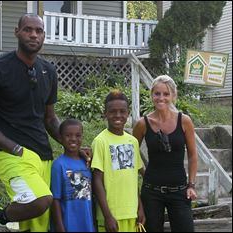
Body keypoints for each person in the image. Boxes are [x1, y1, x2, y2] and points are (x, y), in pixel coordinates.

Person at [0, 14, 90, 232]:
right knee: (39, 201)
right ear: (17, 32)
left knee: (37, 225)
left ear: (44, 35)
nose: (33, 34)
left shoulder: (48, 71)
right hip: (11, 154)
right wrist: (15, 148)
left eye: (39, 30)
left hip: (43, 155)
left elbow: (50, 118)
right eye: (28, 29)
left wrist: (72, 146)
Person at [133, 75, 198, 232]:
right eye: (157, 93)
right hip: (151, 191)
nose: (161, 98)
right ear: (152, 95)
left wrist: (191, 185)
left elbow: (192, 155)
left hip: (180, 190)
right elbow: (131, 154)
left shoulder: (184, 121)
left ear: (173, 96)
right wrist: (143, 172)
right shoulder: (142, 124)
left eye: (166, 94)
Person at [91, 90, 145, 232]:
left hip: (131, 213)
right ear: (105, 113)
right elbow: (97, 180)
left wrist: (140, 207)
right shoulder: (100, 141)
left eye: (122, 111)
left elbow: (133, 178)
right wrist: (107, 216)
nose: (118, 115)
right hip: (111, 215)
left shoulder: (132, 141)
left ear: (128, 113)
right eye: (113, 111)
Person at [50, 119, 95, 232]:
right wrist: (60, 227)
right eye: (68, 135)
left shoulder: (87, 163)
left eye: (78, 135)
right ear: (60, 138)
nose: (73, 139)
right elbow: (55, 199)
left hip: (87, 222)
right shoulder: (58, 165)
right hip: (68, 224)